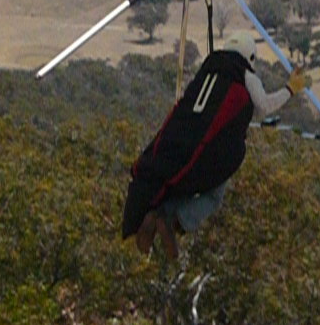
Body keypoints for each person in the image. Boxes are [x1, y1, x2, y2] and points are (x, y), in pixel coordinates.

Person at [121, 31, 307, 261]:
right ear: (250, 57)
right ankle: (172, 218)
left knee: (181, 185)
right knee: (213, 196)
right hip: (209, 152)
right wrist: (290, 89)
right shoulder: (246, 76)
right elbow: (264, 106)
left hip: (179, 144)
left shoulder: (207, 71)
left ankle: (158, 215)